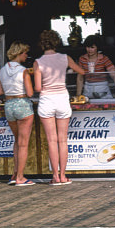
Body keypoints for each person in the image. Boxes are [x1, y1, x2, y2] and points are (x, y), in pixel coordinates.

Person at [33, 29, 84, 185]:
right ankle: (63, 176)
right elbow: (82, 71)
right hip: (62, 99)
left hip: (47, 100)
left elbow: (37, 88)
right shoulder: (65, 58)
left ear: (42, 44)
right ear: (56, 42)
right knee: (63, 140)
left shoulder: (38, 62)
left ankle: (55, 177)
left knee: (51, 140)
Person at [0, 42, 35, 186]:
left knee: (17, 141)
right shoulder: (23, 71)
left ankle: (14, 174)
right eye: (25, 53)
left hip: (9, 106)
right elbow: (30, 93)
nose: (26, 56)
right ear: (19, 54)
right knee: (23, 144)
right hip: (23, 105)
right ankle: (20, 178)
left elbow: (0, 92)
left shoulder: (2, 70)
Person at [76, 35, 115, 99]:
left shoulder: (104, 59)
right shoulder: (82, 59)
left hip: (103, 89)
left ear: (97, 47)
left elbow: (114, 76)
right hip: (88, 89)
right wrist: (78, 95)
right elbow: (80, 78)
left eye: (92, 47)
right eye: (88, 47)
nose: (89, 50)